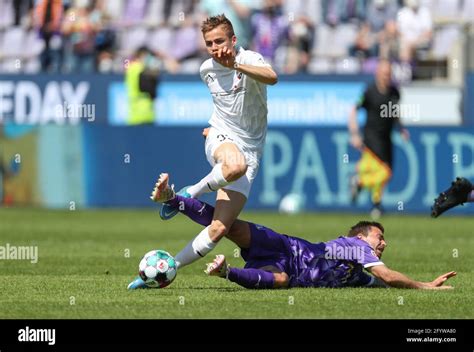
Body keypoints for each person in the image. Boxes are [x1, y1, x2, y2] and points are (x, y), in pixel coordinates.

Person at [128, 173, 456, 290]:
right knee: (228, 226)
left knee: (280, 281)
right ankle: (174, 198)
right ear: (360, 238)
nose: (383, 243)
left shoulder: (357, 271)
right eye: (378, 236)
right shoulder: (355, 248)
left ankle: (227, 272)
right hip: (288, 247)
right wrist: (424, 286)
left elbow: (378, 282)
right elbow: (386, 277)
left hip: (289, 270)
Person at [154, 15, 278, 270]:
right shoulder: (206, 70)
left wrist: (237, 66)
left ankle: (169, 268)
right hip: (221, 136)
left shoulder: (249, 59)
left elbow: (272, 77)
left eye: (219, 41)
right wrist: (214, 131)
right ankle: (192, 192)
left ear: (233, 40)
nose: (215, 47)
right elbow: (224, 108)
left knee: (220, 228)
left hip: (251, 149)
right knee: (234, 166)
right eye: (209, 43)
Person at [348, 59, 410, 219]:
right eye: (383, 73)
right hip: (371, 137)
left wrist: (401, 128)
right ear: (377, 74)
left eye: (388, 74)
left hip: (386, 137)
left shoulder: (395, 92)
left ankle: (375, 204)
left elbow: (394, 113)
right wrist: (354, 133)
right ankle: (361, 183)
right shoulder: (369, 91)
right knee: (384, 172)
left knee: (383, 173)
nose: (386, 77)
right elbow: (353, 110)